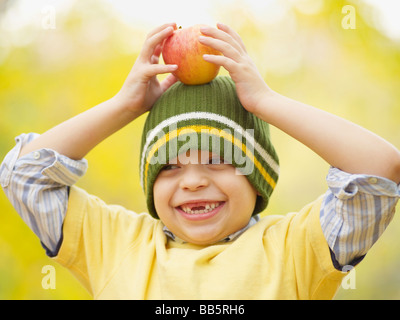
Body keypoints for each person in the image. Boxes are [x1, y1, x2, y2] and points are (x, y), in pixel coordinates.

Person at [1, 22, 400, 300]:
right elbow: (23, 175)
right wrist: (125, 106)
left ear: (256, 176)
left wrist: (265, 102)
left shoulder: (295, 249)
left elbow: (379, 170)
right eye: (170, 166)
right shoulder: (115, 243)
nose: (191, 181)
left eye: (217, 160)